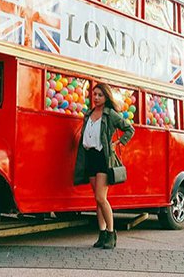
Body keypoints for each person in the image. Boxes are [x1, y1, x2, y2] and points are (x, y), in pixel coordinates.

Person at [73, 83, 134, 249]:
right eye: (94, 94)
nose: (96, 97)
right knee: (97, 200)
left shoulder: (110, 114)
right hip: (90, 157)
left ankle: (111, 233)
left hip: (103, 158)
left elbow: (129, 129)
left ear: (106, 97)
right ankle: (101, 234)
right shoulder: (89, 113)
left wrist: (118, 143)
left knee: (101, 197)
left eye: (100, 95)